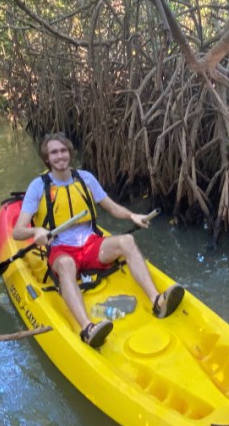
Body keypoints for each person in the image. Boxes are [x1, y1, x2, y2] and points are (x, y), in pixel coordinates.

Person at [13, 132, 184, 348]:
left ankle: (157, 301)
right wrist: (35, 231)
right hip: (61, 250)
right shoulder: (38, 186)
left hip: (91, 244)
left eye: (63, 150)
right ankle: (88, 328)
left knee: (127, 241)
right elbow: (17, 232)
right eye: (54, 152)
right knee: (65, 265)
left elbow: (112, 207)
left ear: (69, 153)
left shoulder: (85, 178)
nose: (59, 156)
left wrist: (133, 216)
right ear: (47, 157)